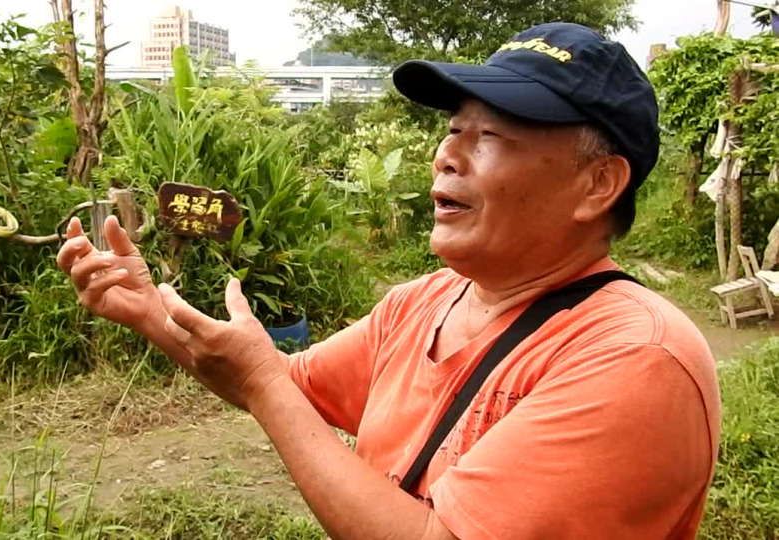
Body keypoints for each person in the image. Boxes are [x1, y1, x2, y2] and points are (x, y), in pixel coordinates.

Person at [57, 22, 721, 540]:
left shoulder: (634, 358)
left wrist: (262, 385)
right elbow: (289, 385)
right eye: (453, 129)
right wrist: (149, 313)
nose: (446, 156)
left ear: (597, 184)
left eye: (490, 136)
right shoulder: (422, 302)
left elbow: (272, 390)